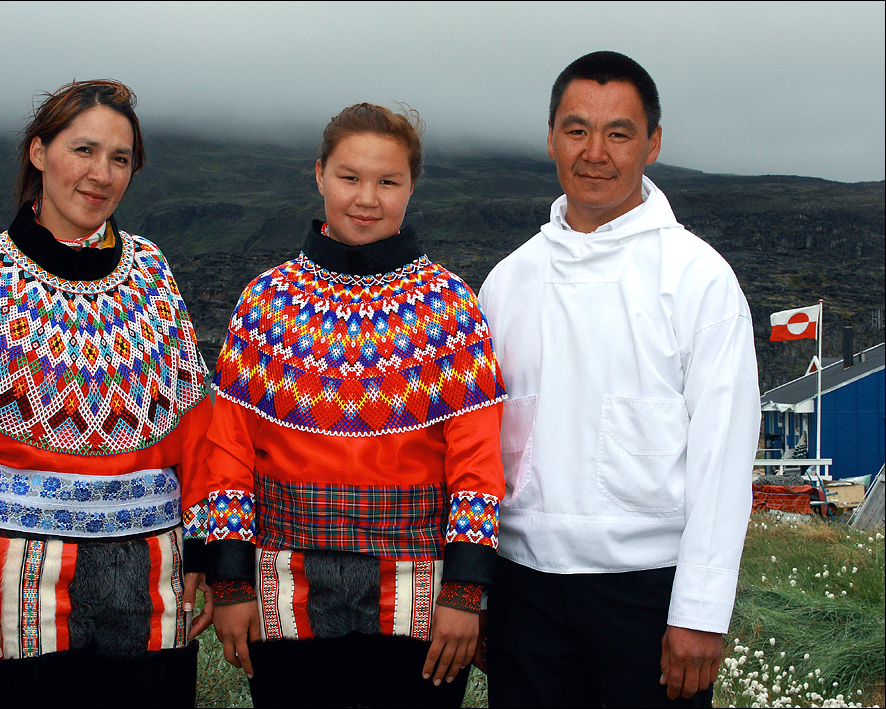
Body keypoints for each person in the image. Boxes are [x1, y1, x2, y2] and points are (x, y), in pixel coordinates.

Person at [0, 79, 213, 708]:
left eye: (120, 158)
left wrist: (206, 552)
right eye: (83, 150)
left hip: (154, 583)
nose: (101, 174)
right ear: (39, 152)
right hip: (22, 583)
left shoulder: (153, 273)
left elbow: (196, 426)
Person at [478, 51, 761, 707]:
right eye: (576, 130)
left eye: (619, 132)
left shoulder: (698, 279)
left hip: (649, 593)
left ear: (653, 143)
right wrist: (482, 590)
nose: (595, 152)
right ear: (550, 137)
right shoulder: (507, 281)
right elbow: (480, 446)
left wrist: (701, 610)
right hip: (524, 589)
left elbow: (723, 457)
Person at [204, 102, 506, 708]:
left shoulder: (450, 308)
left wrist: (465, 594)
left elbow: (477, 458)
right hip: (285, 589)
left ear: (411, 187)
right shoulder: (264, 302)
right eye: (350, 177)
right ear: (319, 175)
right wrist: (231, 582)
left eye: (388, 181)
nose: (367, 197)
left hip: (419, 594)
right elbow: (228, 450)